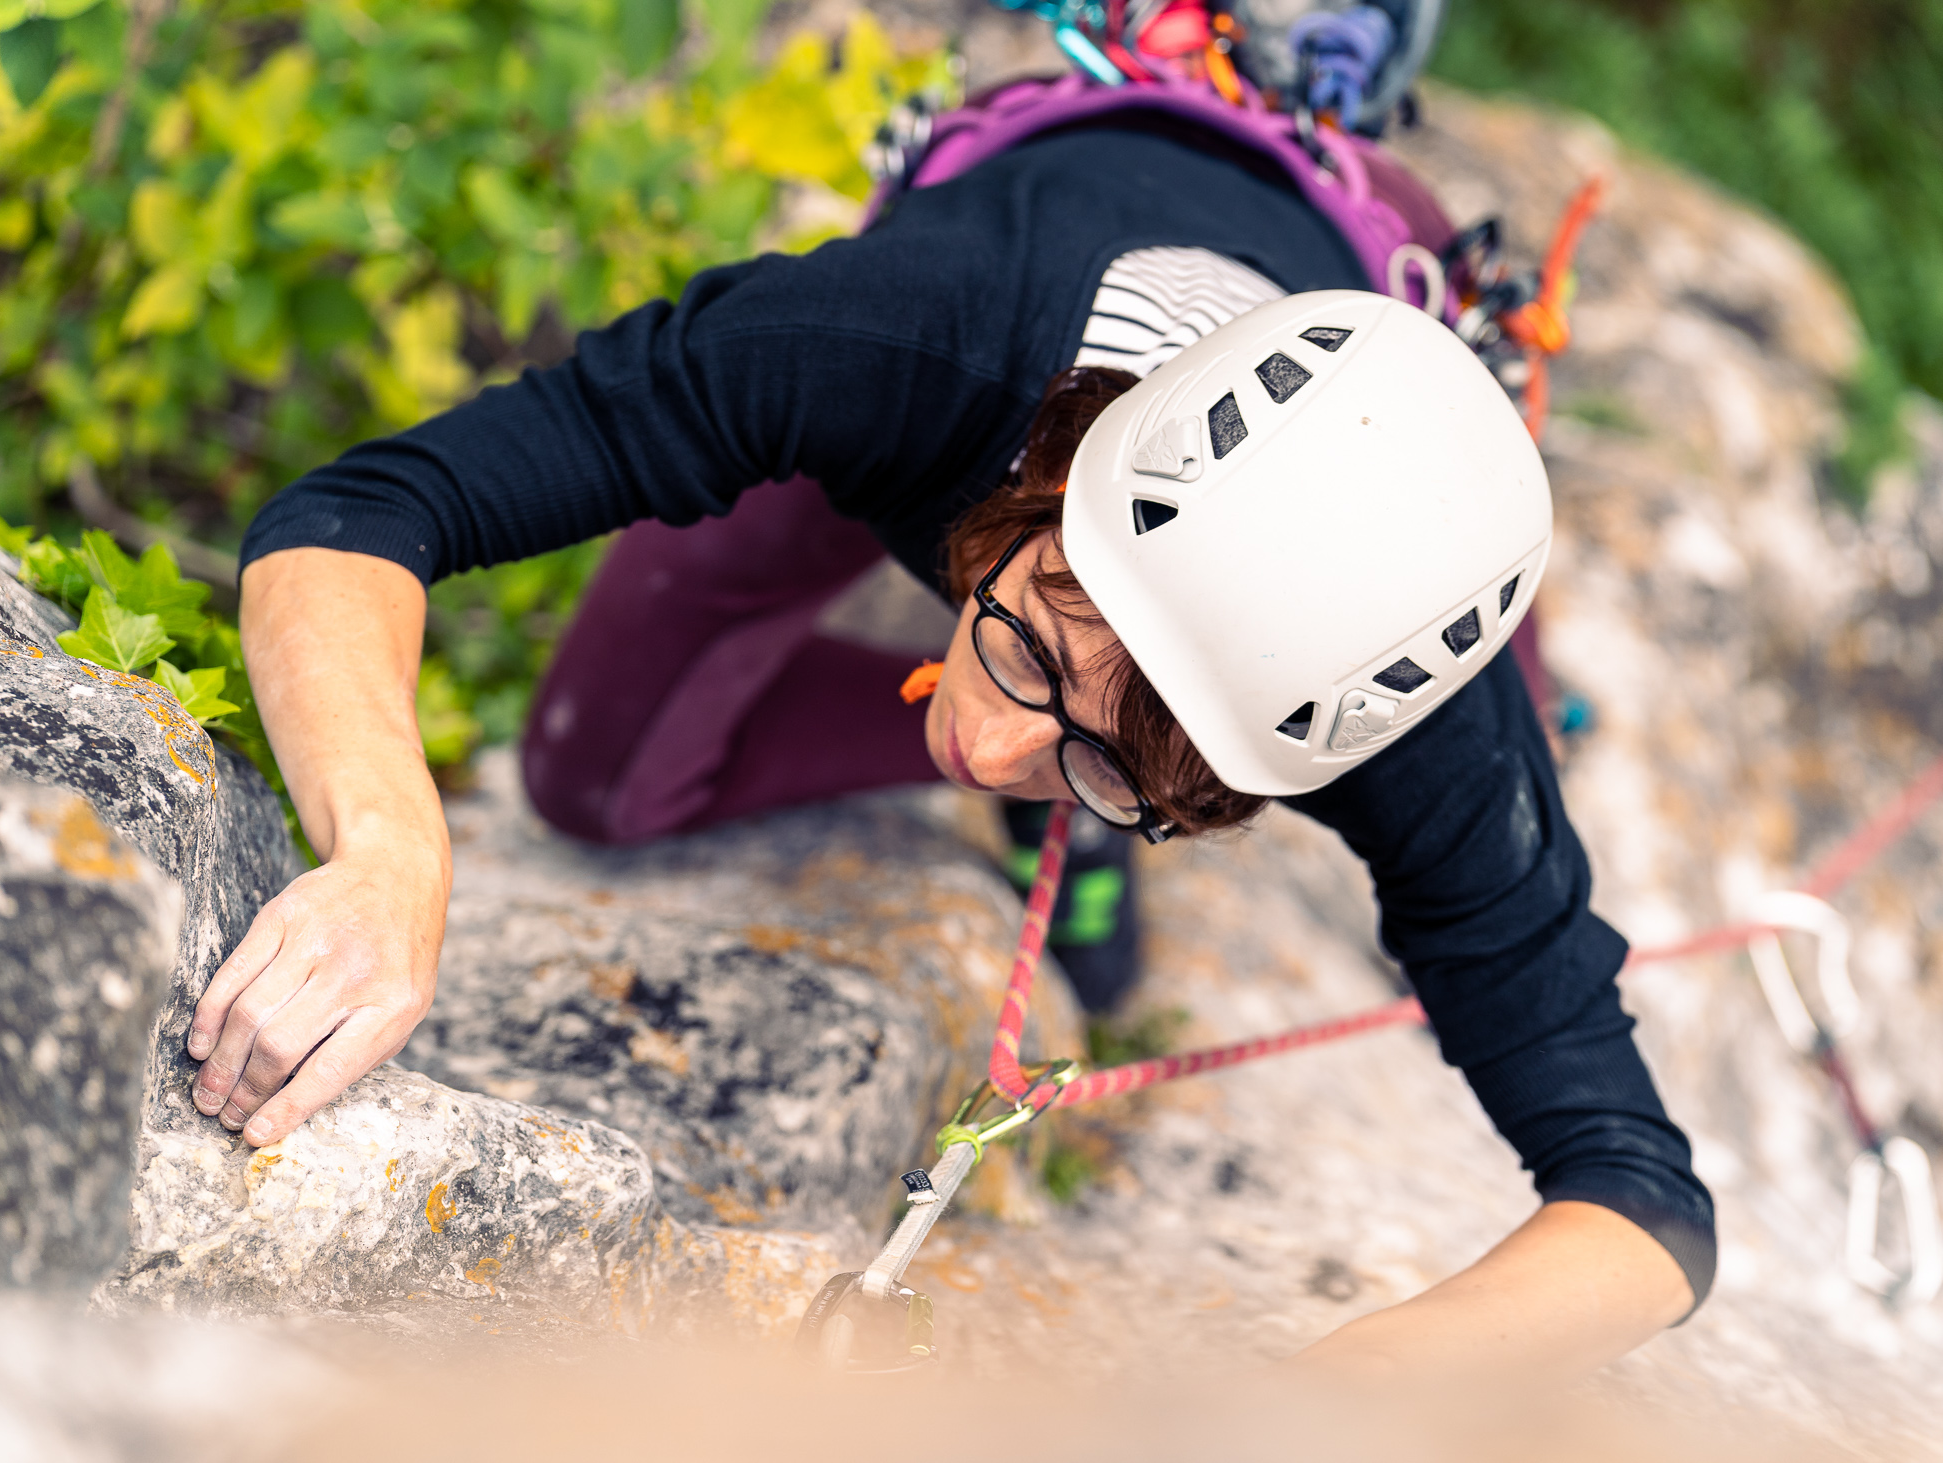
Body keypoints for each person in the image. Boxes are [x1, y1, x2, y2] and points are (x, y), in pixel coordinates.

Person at [196, 75, 1713, 1382]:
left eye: (1116, 764)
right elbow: (361, 510)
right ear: (1065, 479)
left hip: (1257, 375)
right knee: (596, 775)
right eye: (1035, 644)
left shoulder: (1422, 734)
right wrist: (391, 847)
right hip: (974, 386)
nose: (986, 746)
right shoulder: (915, 346)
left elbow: (1646, 1207)